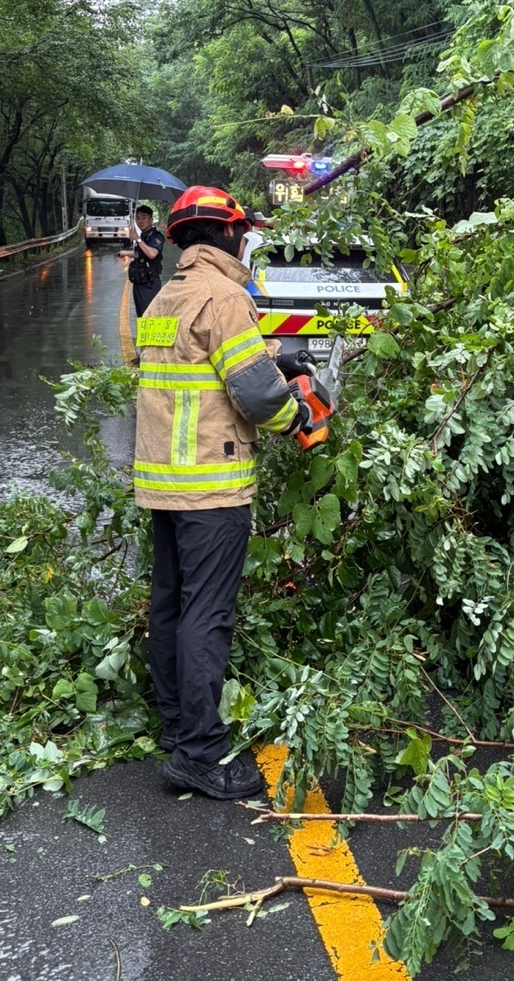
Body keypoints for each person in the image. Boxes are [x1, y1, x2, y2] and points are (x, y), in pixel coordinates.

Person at [133, 185, 315, 800]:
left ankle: (178, 726)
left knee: (171, 606)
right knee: (206, 615)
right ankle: (199, 755)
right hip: (212, 484)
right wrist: (300, 418)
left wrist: (274, 361)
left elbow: (207, 372)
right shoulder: (225, 296)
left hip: (165, 483)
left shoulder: (168, 297)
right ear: (230, 234)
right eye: (243, 230)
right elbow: (259, 399)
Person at [129, 205, 165, 317]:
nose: (140, 221)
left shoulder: (156, 236)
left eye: (144, 217)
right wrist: (125, 253)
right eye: (138, 218)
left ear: (151, 219)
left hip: (150, 284)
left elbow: (152, 254)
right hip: (139, 282)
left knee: (149, 317)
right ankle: (142, 335)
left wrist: (137, 239)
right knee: (141, 317)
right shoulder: (143, 237)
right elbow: (141, 255)